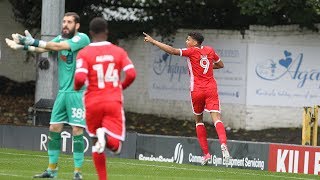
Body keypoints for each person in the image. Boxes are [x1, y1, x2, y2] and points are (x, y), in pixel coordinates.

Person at [5, 12, 90, 179]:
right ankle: (52, 170)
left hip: (77, 93)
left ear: (77, 25)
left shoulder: (82, 39)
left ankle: (78, 173)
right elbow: (46, 47)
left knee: (77, 130)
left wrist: (33, 41)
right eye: (64, 21)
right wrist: (24, 46)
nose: (65, 24)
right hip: (62, 93)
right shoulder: (59, 38)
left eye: (69, 22)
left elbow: (57, 47)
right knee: (54, 128)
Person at [143, 32, 230, 165]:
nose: (186, 41)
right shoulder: (210, 50)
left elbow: (172, 51)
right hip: (211, 89)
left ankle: (206, 154)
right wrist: (205, 68)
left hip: (197, 90)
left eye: (188, 40)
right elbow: (220, 65)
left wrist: (153, 41)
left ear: (195, 43)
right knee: (216, 118)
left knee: (198, 120)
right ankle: (223, 145)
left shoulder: (191, 51)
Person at [74, 17, 136, 180]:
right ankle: (107, 138)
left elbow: (80, 78)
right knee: (116, 148)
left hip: (92, 101)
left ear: (91, 33)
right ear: (107, 32)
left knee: (96, 142)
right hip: (113, 101)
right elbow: (131, 74)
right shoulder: (118, 51)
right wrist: (120, 87)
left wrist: (76, 88)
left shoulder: (84, 53)